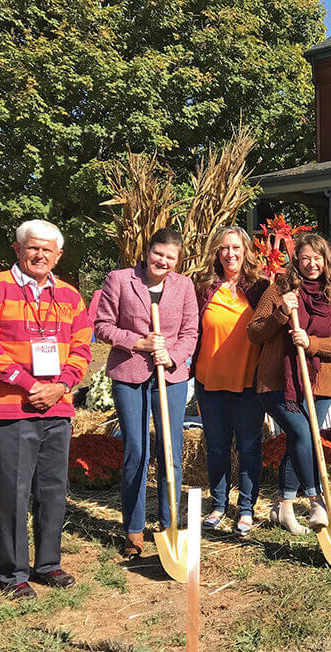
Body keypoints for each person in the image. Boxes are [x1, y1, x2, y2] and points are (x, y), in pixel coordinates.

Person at [0, 220, 92, 599]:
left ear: (59, 255)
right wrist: (31, 385)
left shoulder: (70, 295)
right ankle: (12, 574)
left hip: (57, 407)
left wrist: (61, 386)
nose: (40, 255)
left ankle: (48, 564)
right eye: (32, 248)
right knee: (14, 492)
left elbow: (82, 347)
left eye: (47, 250)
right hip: (10, 408)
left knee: (53, 489)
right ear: (18, 250)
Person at [95, 228, 198, 556]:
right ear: (147, 251)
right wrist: (137, 342)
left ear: (177, 260)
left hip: (170, 375)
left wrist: (173, 355)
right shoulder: (120, 280)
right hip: (130, 373)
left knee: (170, 450)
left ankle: (169, 523)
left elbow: (190, 331)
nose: (163, 261)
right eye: (158, 254)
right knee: (136, 450)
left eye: (170, 257)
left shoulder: (184, 286)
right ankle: (134, 529)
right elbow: (102, 326)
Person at [248, 233, 331, 532]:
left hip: (319, 382)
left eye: (317, 258)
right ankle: (316, 498)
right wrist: (281, 313)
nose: (312, 263)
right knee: (303, 434)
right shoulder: (280, 289)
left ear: (326, 260)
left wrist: (312, 343)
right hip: (277, 381)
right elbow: (254, 332)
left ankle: (283, 508)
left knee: (300, 440)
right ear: (297, 261)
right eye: (305, 257)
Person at [192, 226, 269, 537]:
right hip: (209, 380)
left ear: (246, 251)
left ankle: (247, 508)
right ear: (216, 252)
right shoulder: (204, 288)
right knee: (217, 447)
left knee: (249, 446)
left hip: (248, 380)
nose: (230, 253)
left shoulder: (260, 289)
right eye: (224, 248)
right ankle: (219, 505)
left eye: (236, 247)